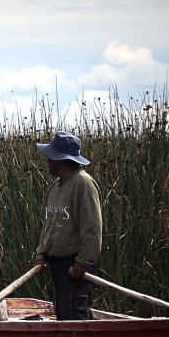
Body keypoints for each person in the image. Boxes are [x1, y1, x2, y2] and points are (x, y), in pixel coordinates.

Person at [32, 132, 103, 320]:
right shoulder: (55, 188)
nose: (47, 160)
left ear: (60, 159)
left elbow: (92, 227)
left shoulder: (84, 184)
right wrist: (42, 252)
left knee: (76, 316)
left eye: (50, 157)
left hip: (75, 265)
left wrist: (84, 262)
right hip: (58, 264)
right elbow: (50, 224)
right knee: (63, 315)